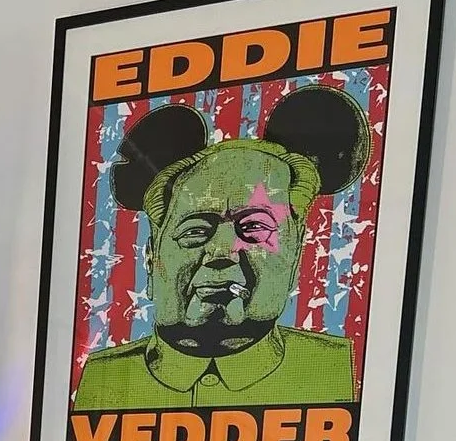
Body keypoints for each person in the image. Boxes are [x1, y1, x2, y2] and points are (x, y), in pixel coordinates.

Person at [73, 87, 370, 411]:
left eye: (254, 227)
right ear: (151, 257)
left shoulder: (332, 370)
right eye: (195, 231)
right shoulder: (103, 379)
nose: (222, 251)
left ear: (296, 256)